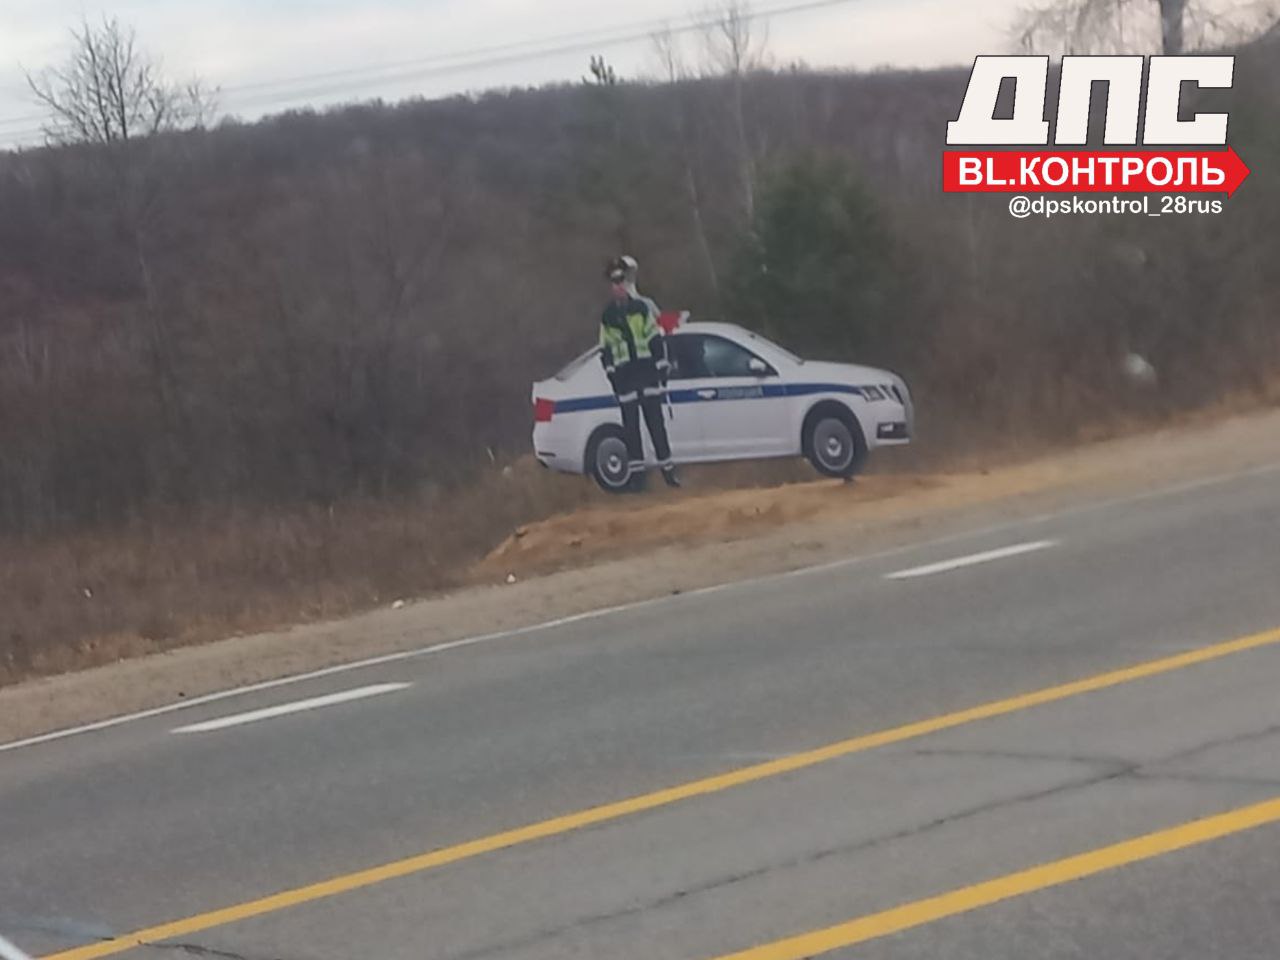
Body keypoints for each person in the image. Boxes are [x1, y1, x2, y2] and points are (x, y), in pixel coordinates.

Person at [599, 257, 680, 488]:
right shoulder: (608, 317)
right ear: (611, 286)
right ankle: (637, 478)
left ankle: (669, 472)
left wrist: (661, 366)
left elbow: (654, 338)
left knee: (656, 424)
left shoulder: (641, 308)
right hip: (625, 380)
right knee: (631, 428)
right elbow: (606, 350)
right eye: (615, 283)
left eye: (622, 281)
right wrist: (613, 375)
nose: (619, 287)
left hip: (646, 374)